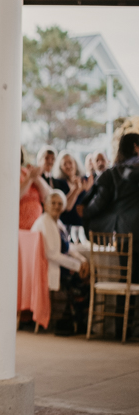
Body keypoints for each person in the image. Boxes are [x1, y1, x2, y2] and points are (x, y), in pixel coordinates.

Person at [83, 133, 139, 338]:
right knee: (133, 281)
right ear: (136, 147)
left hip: (124, 234)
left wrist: (84, 213)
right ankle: (130, 329)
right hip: (132, 232)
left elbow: (98, 204)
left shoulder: (114, 172)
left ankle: (120, 329)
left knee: (126, 279)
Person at [32, 190, 90, 335]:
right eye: (53, 203)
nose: (57, 206)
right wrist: (77, 267)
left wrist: (82, 260)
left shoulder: (57, 222)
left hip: (60, 264)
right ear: (45, 205)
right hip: (49, 267)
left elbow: (68, 247)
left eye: (60, 204)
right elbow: (53, 255)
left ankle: (73, 319)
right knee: (83, 280)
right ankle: (70, 320)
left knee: (86, 274)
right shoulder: (45, 223)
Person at [52, 151, 93, 235]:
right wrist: (76, 190)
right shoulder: (58, 183)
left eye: (70, 162)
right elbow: (66, 206)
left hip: (83, 226)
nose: (68, 166)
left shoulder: (85, 179)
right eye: (64, 164)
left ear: (75, 163)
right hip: (66, 226)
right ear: (61, 167)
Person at [19, 148, 50, 230]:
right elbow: (16, 196)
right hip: (18, 227)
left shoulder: (26, 172)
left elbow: (47, 197)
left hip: (36, 226)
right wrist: (29, 179)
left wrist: (35, 177)